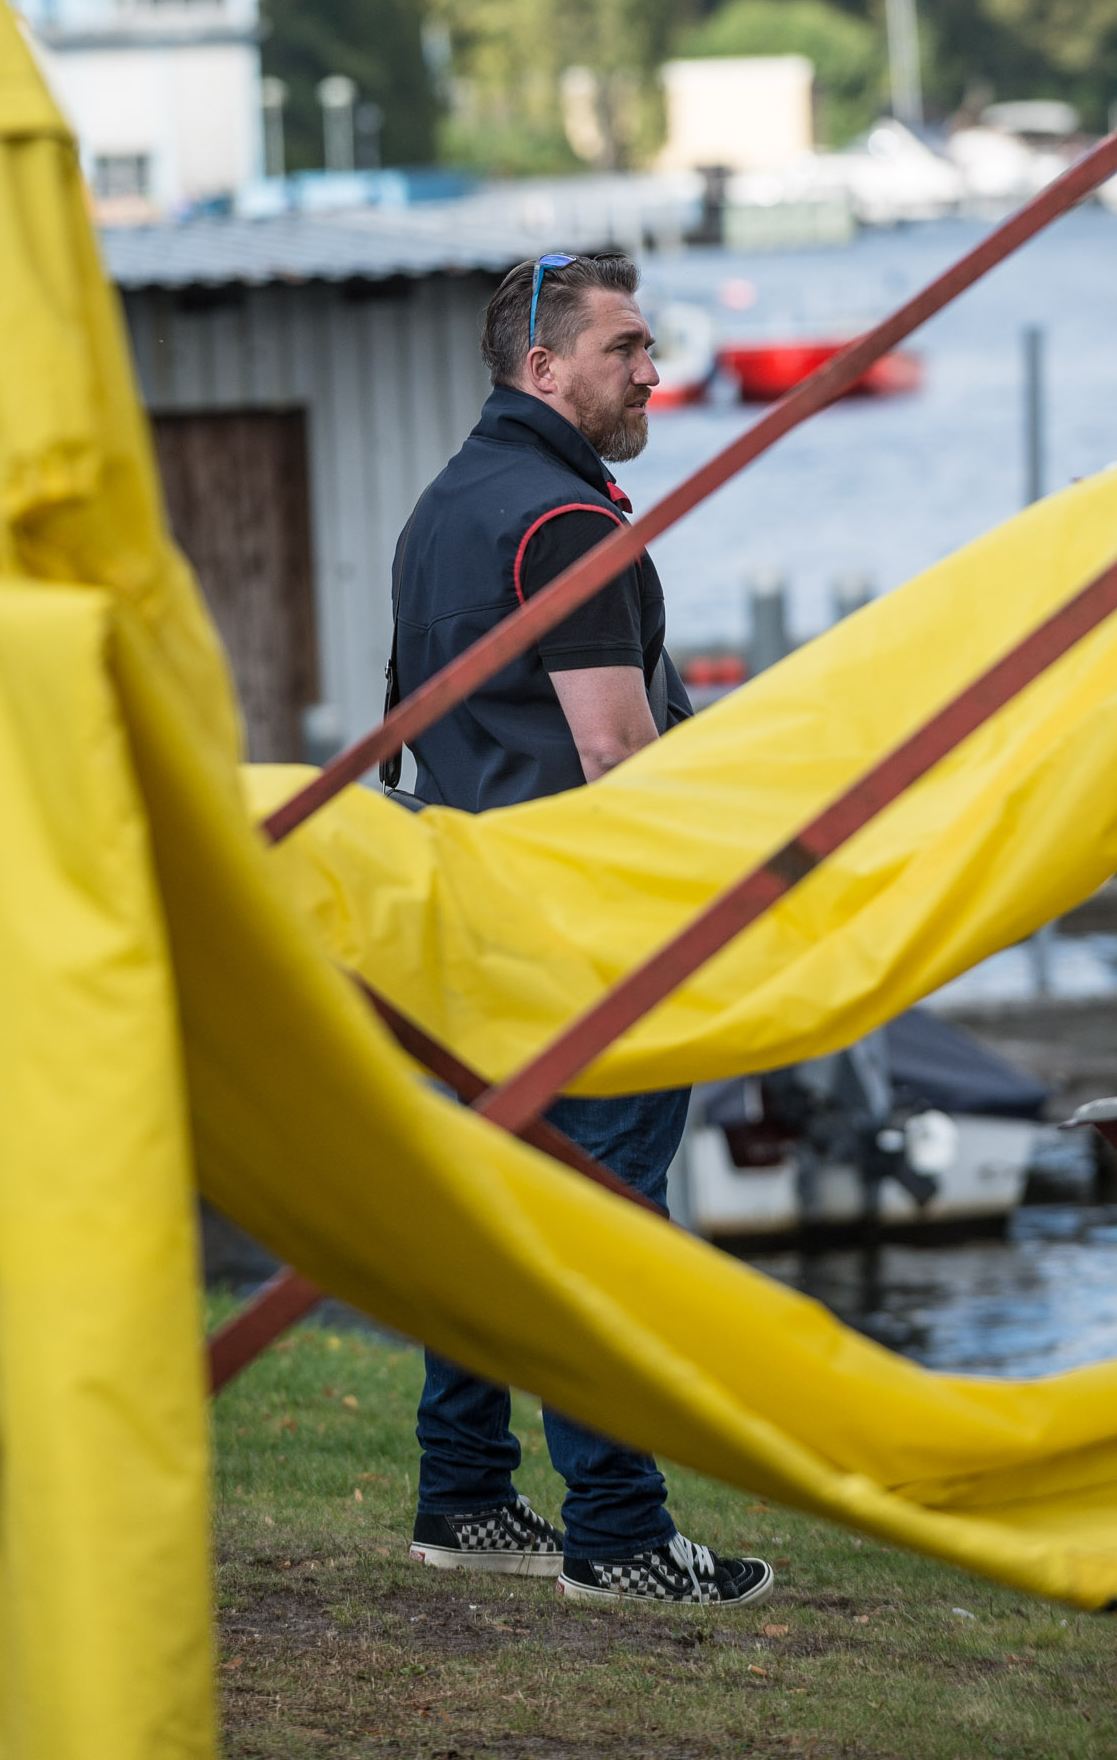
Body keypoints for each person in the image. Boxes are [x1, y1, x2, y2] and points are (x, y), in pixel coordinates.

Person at [387, 251, 774, 1611]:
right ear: (541, 369)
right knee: (603, 1221)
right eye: (626, 348)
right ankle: (617, 1532)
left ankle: (467, 1497)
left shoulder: (444, 510)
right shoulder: (564, 523)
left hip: (466, 913)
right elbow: (616, 753)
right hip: (582, 934)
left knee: (488, 1213)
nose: (653, 372)